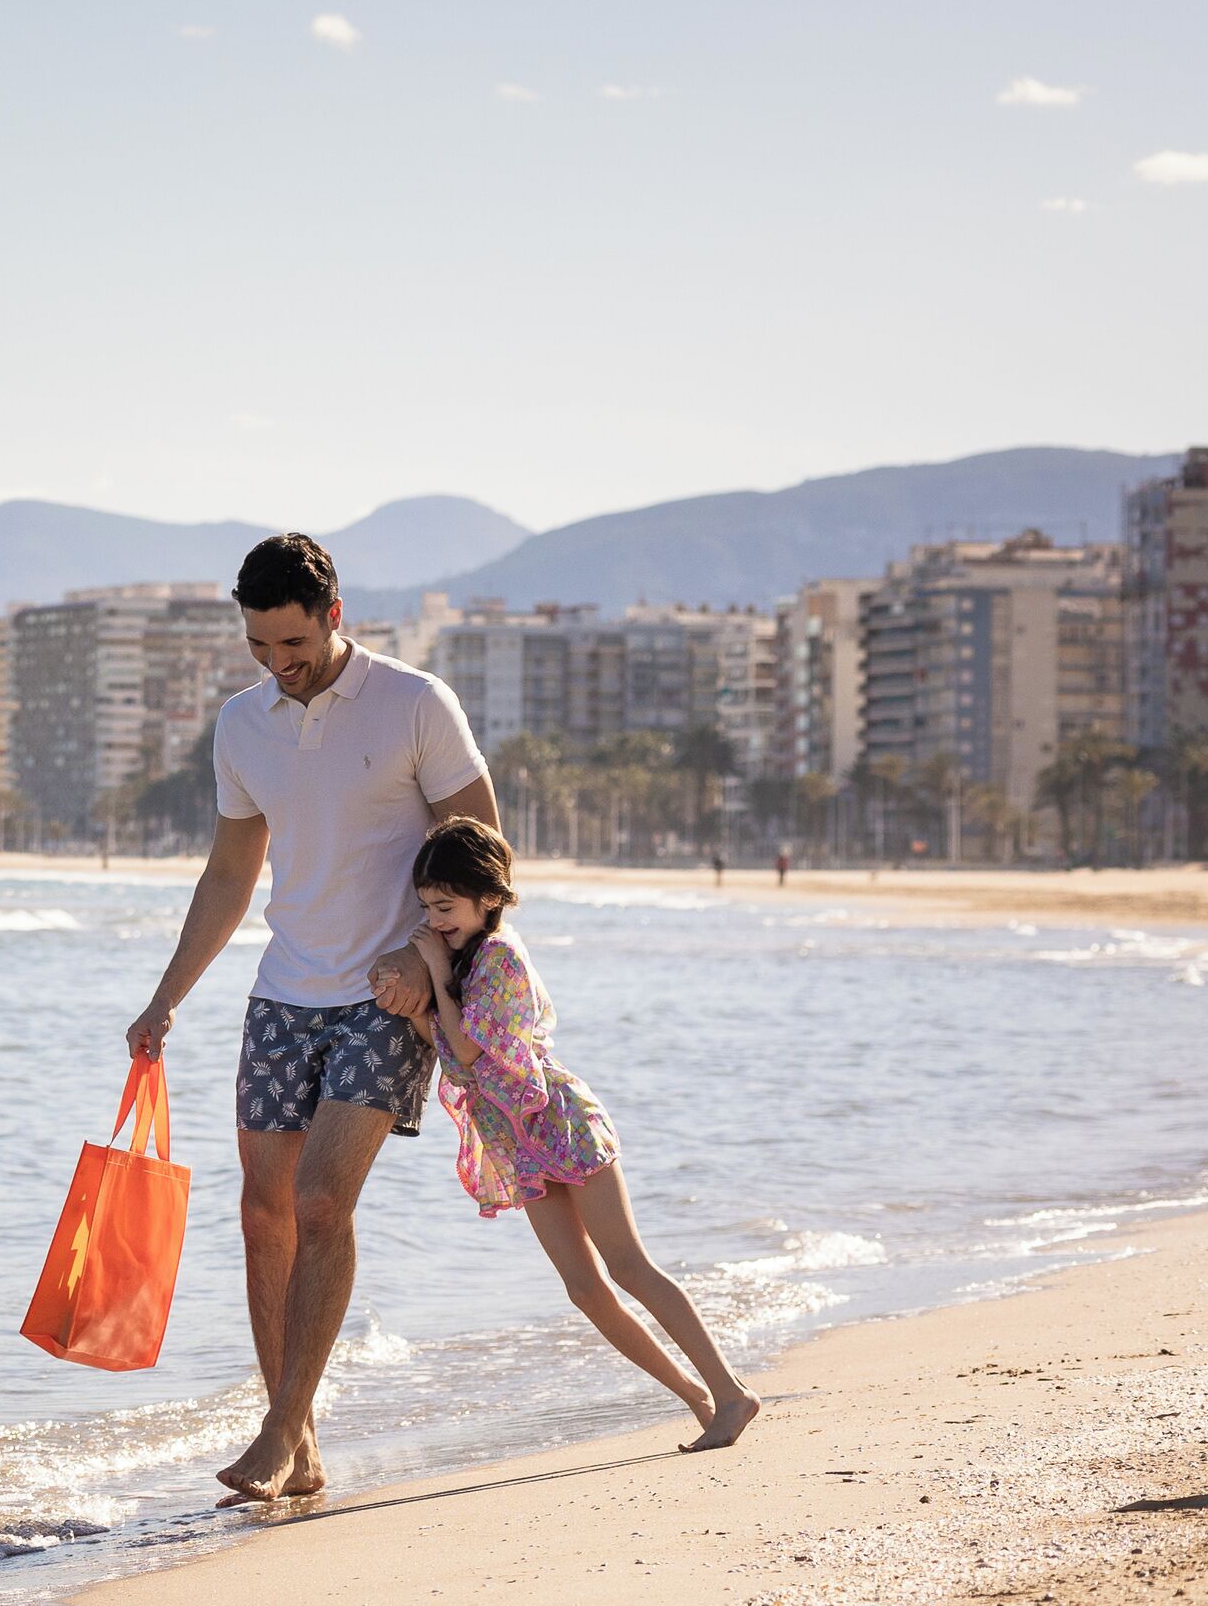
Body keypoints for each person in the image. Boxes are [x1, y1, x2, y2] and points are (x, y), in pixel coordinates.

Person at [126, 532, 499, 1501]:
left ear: (335, 616)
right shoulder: (241, 725)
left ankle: (278, 1429)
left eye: (292, 643)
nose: (277, 663)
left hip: (389, 994)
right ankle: (299, 1444)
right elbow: (229, 874)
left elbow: (486, 853)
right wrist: (166, 996)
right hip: (283, 991)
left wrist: (425, 956)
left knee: (323, 1202)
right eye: (258, 646)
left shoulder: (414, 702)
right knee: (263, 1214)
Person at [394, 817, 760, 1451]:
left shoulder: (500, 956)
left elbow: (470, 1050)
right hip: (519, 1140)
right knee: (585, 1289)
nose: (435, 920)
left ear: (490, 898)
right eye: (427, 907)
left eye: (446, 907)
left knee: (629, 1266)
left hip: (561, 1125)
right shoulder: (462, 960)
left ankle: (731, 1391)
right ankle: (698, 1398)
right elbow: (454, 1059)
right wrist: (414, 998)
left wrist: (429, 966)